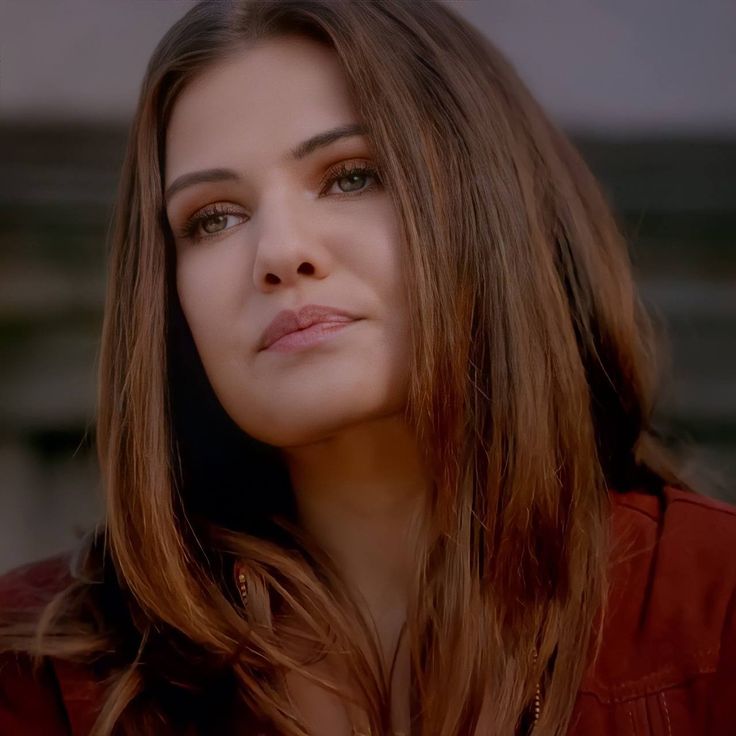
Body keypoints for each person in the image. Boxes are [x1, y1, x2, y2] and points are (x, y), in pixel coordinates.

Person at [1, 1, 735, 734]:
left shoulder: (717, 610)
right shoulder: (35, 675)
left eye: (352, 176)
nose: (281, 253)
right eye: (214, 217)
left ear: (491, 204)